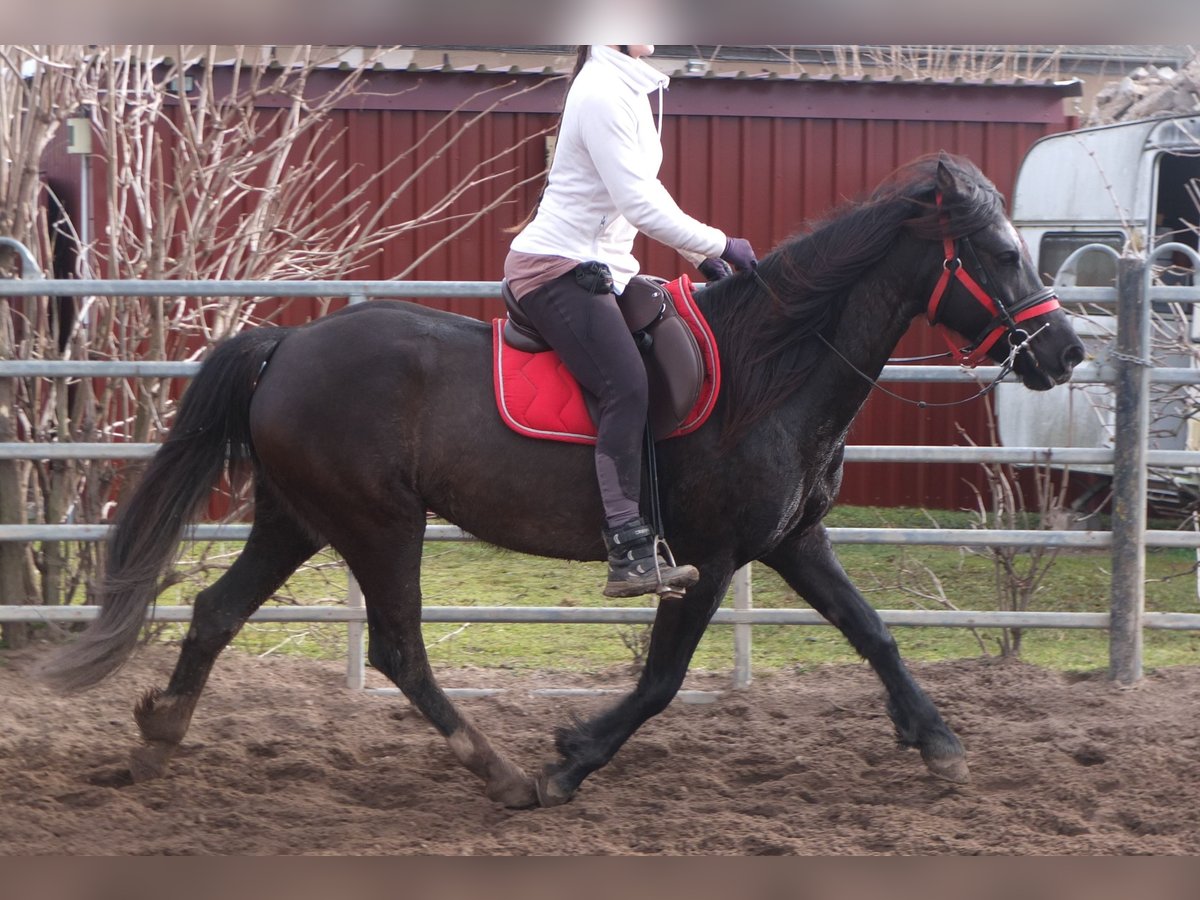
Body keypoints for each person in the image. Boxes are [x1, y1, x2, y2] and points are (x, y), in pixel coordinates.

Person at [504, 44, 759, 598]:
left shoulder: (633, 90)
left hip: (604, 266)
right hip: (555, 265)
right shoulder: (600, 91)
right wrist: (721, 242)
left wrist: (700, 258)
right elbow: (639, 203)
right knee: (626, 384)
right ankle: (627, 547)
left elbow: (641, 197)